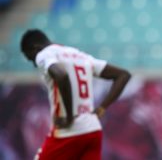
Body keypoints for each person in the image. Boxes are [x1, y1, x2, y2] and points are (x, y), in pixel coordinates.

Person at [20, 29, 131, 160]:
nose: (34, 63)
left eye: (30, 58)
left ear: (35, 48)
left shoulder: (44, 54)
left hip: (69, 131)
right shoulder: (78, 55)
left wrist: (69, 117)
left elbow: (61, 76)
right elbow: (123, 75)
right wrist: (102, 107)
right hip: (92, 129)